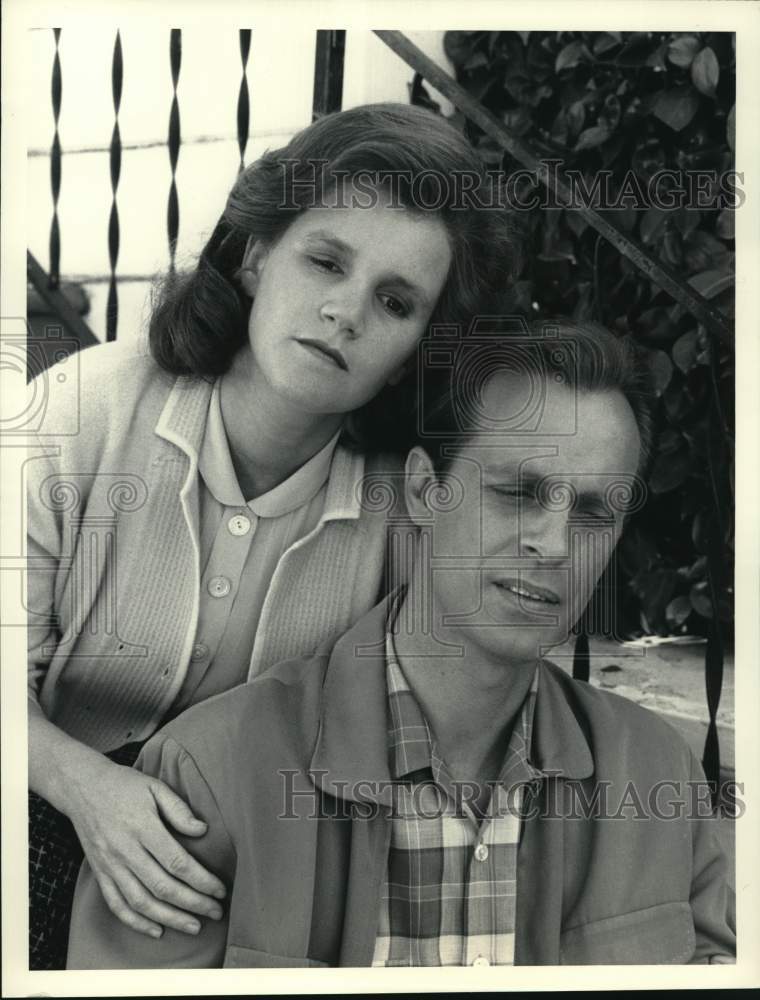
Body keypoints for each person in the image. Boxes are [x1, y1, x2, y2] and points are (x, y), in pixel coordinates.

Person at [66, 319, 736, 967]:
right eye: (515, 492)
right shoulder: (210, 777)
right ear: (423, 491)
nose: (554, 546)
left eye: (593, 512)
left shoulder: (659, 778)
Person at [26, 101, 521, 968]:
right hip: (36, 799)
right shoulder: (77, 411)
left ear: (416, 348)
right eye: (325, 260)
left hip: (261, 849)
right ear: (255, 256)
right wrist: (88, 791)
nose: (344, 313)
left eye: (395, 302)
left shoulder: (408, 504)